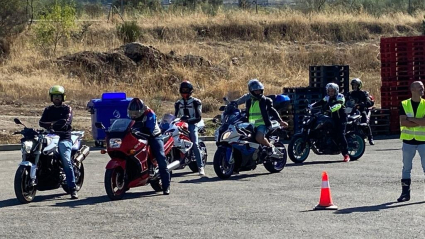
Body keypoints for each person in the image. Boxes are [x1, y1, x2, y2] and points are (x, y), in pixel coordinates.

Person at [39, 85, 78, 199]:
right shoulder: (48, 110)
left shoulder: (67, 109)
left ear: (63, 97)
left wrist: (51, 124)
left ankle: (73, 188)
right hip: (50, 136)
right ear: (51, 97)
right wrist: (52, 124)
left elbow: (66, 121)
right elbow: (41, 122)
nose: (56, 98)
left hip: (63, 137)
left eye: (59, 96)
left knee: (66, 160)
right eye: (54, 96)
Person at [128, 98, 171, 195]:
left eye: (136, 113)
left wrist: (137, 131)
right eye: (132, 112)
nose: (134, 115)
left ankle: (166, 186)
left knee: (161, 159)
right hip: (138, 135)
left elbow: (149, 129)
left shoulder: (150, 113)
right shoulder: (132, 115)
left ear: (141, 110)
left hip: (154, 137)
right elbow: (128, 124)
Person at [242, 79, 288, 156]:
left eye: (259, 90)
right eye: (256, 91)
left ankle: (270, 147)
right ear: (251, 91)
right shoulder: (249, 101)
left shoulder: (265, 100)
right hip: (250, 125)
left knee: (259, 138)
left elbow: (272, 110)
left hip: (262, 124)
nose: (258, 92)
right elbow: (247, 112)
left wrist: (280, 121)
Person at [397, 81, 425, 202]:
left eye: (422, 87)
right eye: (420, 87)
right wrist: (418, 121)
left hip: (423, 141)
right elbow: (403, 122)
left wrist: (410, 119)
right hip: (408, 141)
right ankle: (405, 194)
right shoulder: (404, 104)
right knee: (406, 168)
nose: (422, 89)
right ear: (413, 90)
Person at [309, 83, 350, 162]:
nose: (330, 93)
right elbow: (321, 102)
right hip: (332, 117)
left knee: (341, 134)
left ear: (336, 91)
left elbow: (339, 105)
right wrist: (311, 106)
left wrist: (332, 109)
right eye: (329, 91)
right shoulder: (327, 97)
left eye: (332, 91)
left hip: (341, 118)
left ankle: (346, 154)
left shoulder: (340, 96)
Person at [174, 81, 205, 176]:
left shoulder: (196, 102)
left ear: (190, 91)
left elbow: (198, 117)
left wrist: (189, 121)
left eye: (186, 90)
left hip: (193, 124)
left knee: (195, 144)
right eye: (183, 90)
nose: (184, 92)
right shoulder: (178, 103)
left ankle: (201, 167)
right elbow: (175, 116)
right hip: (181, 124)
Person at [346, 78, 375, 145]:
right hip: (351, 110)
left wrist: (362, 104)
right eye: (354, 85)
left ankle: (370, 138)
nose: (355, 86)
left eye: (356, 85)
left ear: (359, 85)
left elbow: (369, 102)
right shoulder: (349, 94)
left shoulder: (363, 93)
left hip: (360, 110)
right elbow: (345, 101)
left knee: (365, 121)